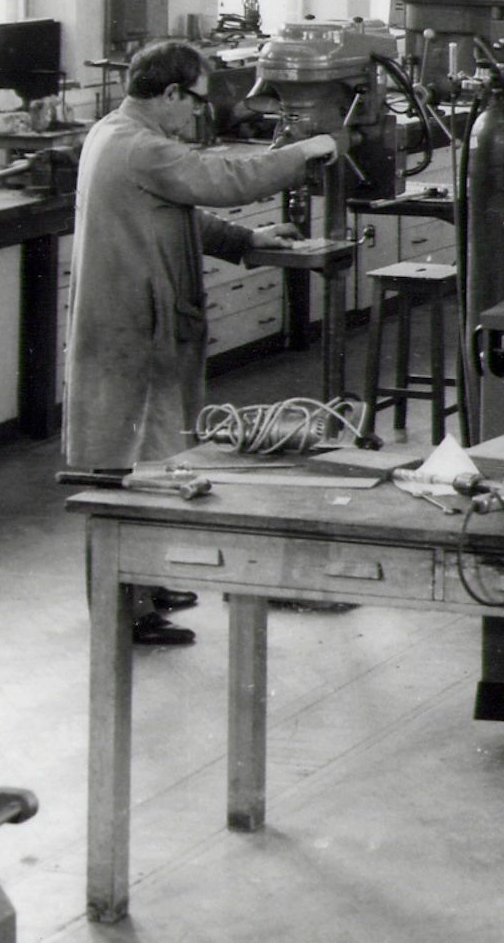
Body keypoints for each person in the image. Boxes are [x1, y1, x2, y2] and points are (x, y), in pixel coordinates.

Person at [66, 38, 338, 645]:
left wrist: (248, 241)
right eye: (194, 101)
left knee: (160, 460)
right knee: (127, 467)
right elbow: (220, 177)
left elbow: (184, 211)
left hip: (148, 327)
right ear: (167, 95)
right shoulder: (135, 145)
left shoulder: (123, 135)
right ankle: (124, 613)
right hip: (130, 335)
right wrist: (306, 151)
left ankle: (147, 582)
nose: (199, 114)